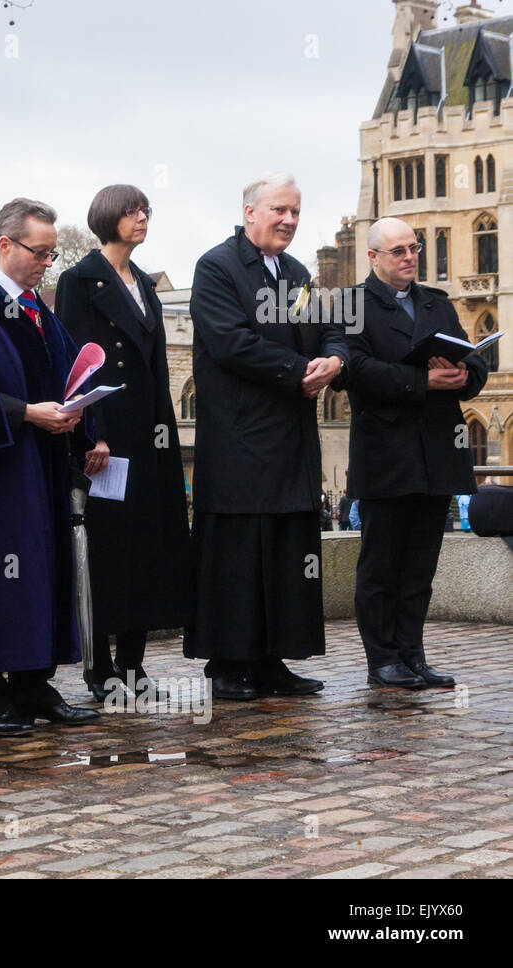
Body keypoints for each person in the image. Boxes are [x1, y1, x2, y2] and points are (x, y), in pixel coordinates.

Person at [0, 198, 100, 734]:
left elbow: (69, 370)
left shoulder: (38, 311)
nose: (45, 264)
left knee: (41, 571)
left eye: (52, 256)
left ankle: (33, 682)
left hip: (45, 462)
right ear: (4, 244)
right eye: (39, 252)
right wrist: (27, 412)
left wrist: (80, 413)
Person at [183, 173, 347, 701]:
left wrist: (335, 359)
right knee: (237, 552)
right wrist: (301, 370)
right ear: (250, 211)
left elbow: (329, 325)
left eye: (296, 212)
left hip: (290, 439)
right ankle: (230, 664)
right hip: (239, 440)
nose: (289, 221)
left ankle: (274, 659)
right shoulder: (216, 267)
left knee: (285, 549)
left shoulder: (297, 272)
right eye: (279, 210)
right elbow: (231, 343)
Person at [55, 184, 190, 701]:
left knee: (150, 546)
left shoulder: (148, 287)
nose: (141, 220)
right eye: (132, 212)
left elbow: (156, 368)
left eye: (145, 212)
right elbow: (79, 364)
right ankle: (101, 667)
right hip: (108, 438)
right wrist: (98, 433)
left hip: (151, 432)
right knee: (109, 549)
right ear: (109, 217)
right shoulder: (79, 280)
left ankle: (134, 665)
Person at [346, 217, 489, 689]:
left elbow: (474, 362)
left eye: (414, 248)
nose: (409, 257)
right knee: (381, 563)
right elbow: (356, 371)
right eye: (398, 251)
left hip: (437, 453)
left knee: (420, 566)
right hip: (386, 454)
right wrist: (420, 381)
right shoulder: (352, 306)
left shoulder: (437, 303)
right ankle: (381, 659)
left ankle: (413, 655)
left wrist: (464, 376)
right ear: (373, 258)